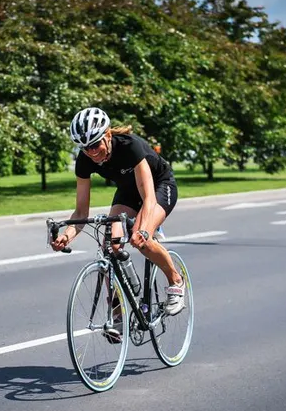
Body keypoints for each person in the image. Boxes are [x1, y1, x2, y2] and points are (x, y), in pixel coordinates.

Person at [51, 107, 185, 316]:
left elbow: (148, 196)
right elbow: (80, 212)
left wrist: (143, 229)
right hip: (128, 191)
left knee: (142, 238)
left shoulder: (130, 146)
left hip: (158, 186)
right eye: (86, 148)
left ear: (108, 135)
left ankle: (175, 280)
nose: (92, 152)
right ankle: (118, 309)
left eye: (95, 145)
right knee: (110, 244)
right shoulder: (85, 160)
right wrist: (66, 236)